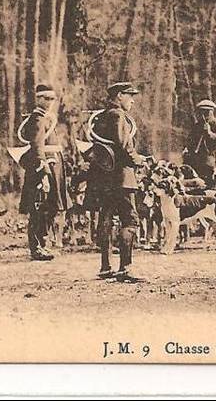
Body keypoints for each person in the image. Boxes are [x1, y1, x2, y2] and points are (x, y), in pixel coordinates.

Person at [88, 81, 146, 283]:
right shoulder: (118, 115)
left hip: (104, 178)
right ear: (119, 95)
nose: (132, 101)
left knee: (106, 219)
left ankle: (105, 266)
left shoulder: (101, 116)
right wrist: (136, 159)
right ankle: (125, 267)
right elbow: (123, 145)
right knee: (129, 220)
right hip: (122, 177)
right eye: (130, 96)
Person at [18, 84, 70, 261]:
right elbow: (37, 146)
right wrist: (43, 172)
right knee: (39, 207)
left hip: (52, 166)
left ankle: (43, 244)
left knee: (48, 207)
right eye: (46, 99)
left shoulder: (47, 118)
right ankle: (37, 247)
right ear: (38, 99)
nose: (50, 102)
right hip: (43, 168)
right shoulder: (38, 119)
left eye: (52, 99)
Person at [183, 99, 216, 182]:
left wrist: (209, 133)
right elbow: (190, 140)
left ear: (211, 112)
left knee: (207, 182)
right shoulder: (197, 125)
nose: (202, 115)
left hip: (207, 160)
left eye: (206, 112)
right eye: (201, 112)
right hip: (194, 159)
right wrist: (186, 149)